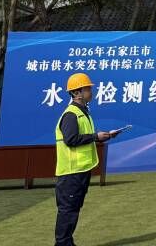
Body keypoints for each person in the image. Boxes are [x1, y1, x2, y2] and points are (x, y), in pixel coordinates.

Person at [55, 73, 119, 246]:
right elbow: (71, 139)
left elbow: (82, 138)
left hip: (79, 171)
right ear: (77, 93)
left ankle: (67, 242)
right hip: (71, 172)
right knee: (68, 211)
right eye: (88, 88)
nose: (91, 91)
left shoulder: (83, 113)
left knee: (73, 210)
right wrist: (95, 136)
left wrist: (102, 137)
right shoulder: (71, 114)